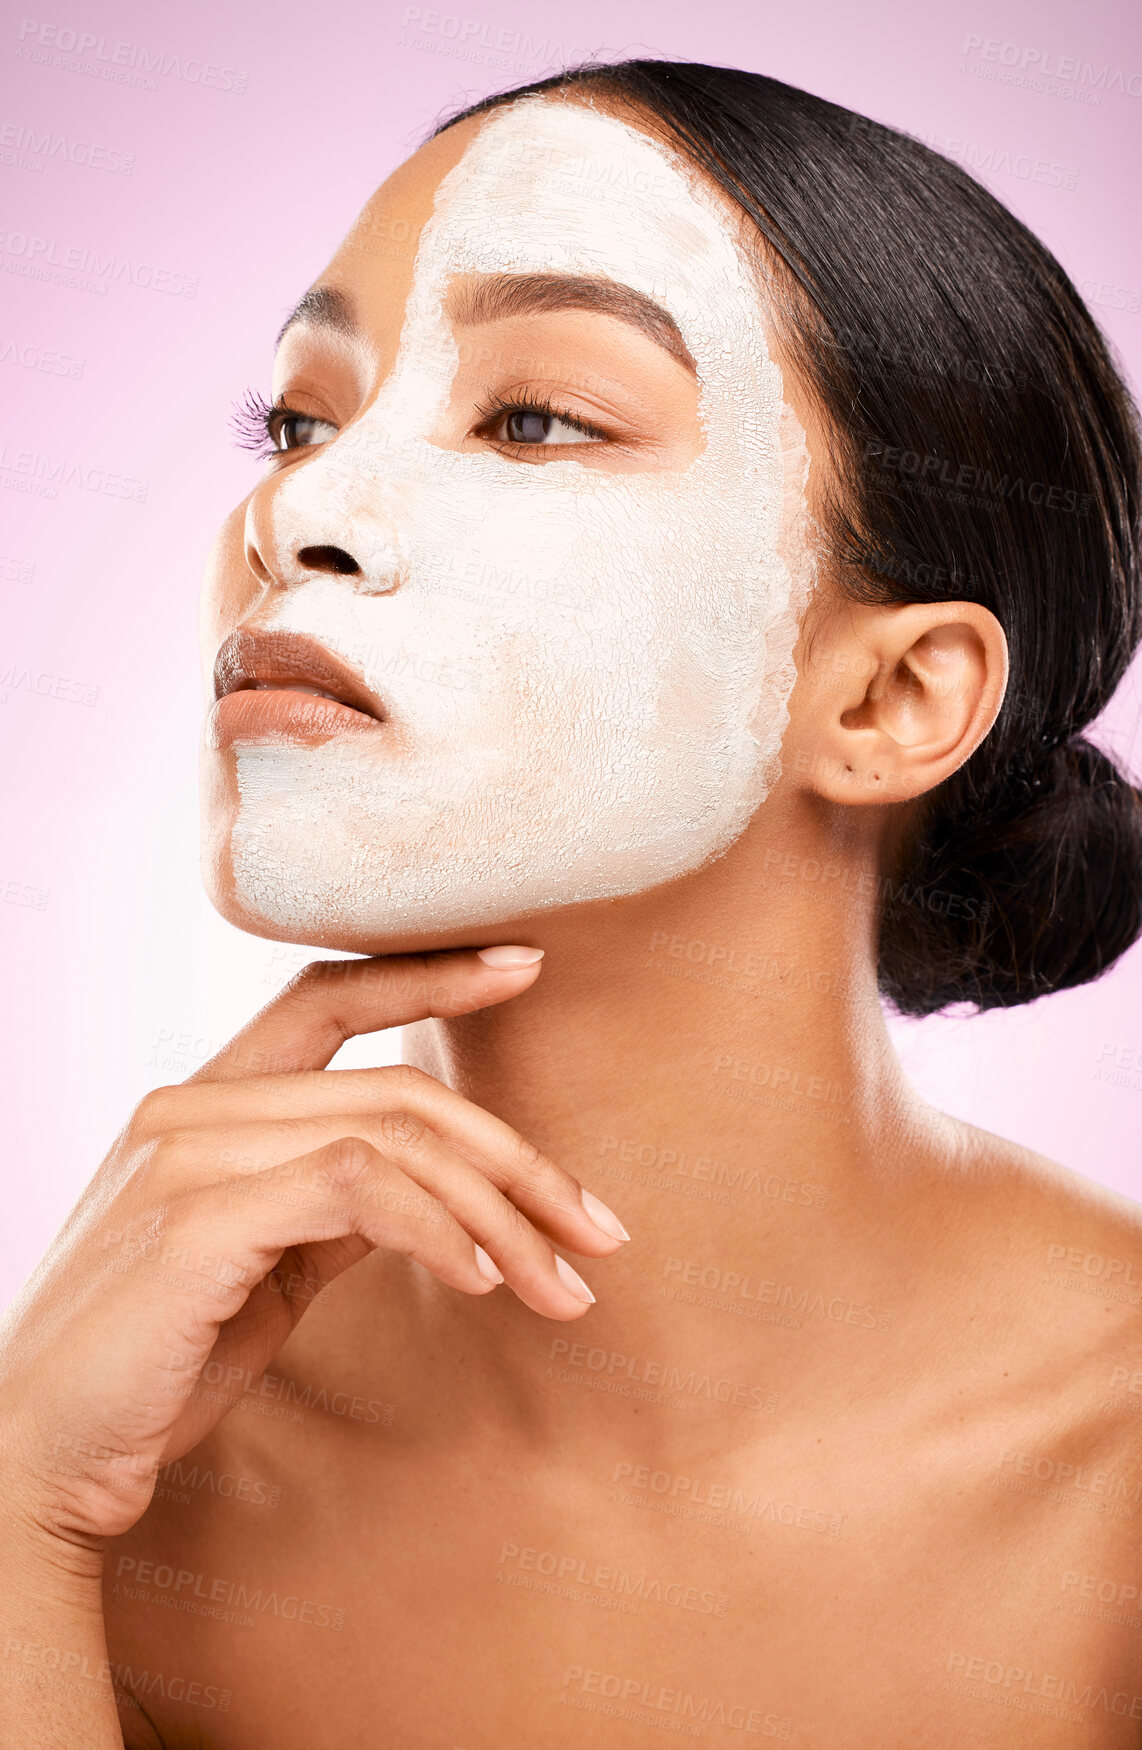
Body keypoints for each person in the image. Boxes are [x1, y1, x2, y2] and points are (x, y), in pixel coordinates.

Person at [4, 58, 1142, 1748]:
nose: (297, 512)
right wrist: (19, 1524)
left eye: (533, 417)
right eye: (301, 420)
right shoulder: (125, 1469)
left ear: (887, 699)